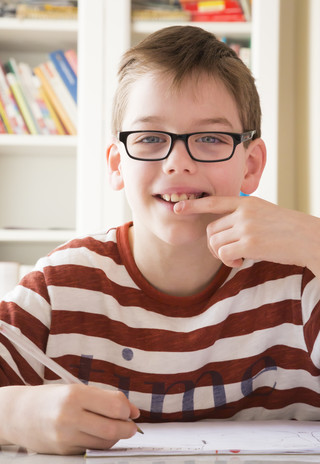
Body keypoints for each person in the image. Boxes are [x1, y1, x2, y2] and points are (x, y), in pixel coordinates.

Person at [0, 25, 320, 455]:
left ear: (251, 165)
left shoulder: (302, 277)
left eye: (209, 138)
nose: (178, 163)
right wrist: (13, 415)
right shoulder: (60, 287)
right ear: (117, 165)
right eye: (150, 138)